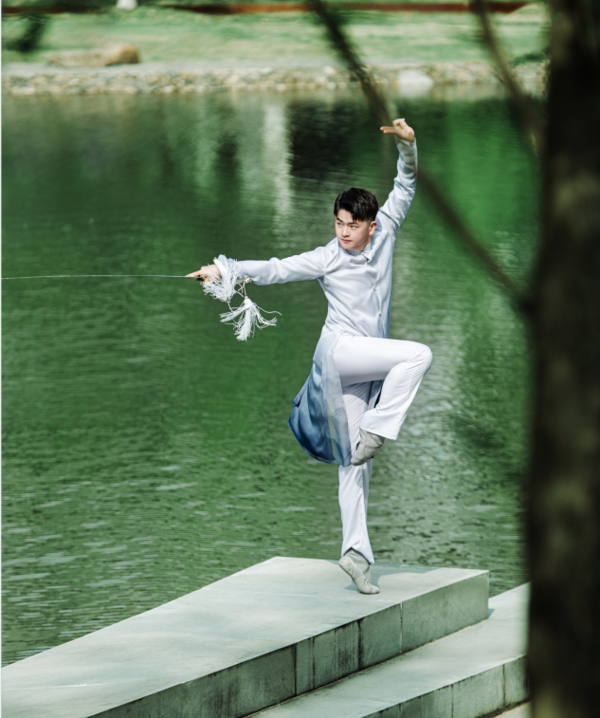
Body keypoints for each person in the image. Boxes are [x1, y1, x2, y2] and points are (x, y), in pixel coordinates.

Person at [187, 118, 432, 595]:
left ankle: (355, 554)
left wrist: (409, 145)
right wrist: (223, 270)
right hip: (340, 355)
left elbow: (405, 184)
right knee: (418, 354)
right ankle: (378, 430)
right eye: (339, 224)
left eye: (353, 225)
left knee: (355, 464)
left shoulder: (387, 230)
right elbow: (277, 269)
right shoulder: (327, 257)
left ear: (371, 225)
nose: (344, 232)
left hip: (366, 366)